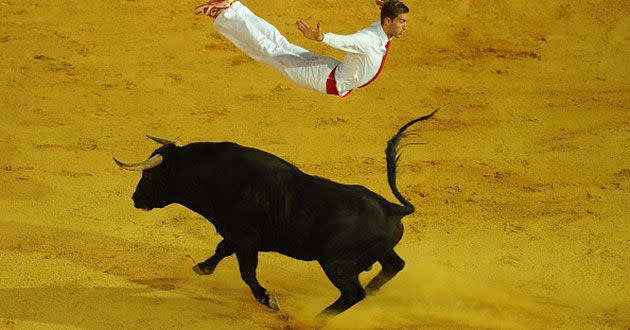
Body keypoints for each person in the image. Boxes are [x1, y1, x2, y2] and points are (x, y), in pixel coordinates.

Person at [195, 0, 409, 97]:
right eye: (401, 22)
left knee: (278, 45)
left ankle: (232, 7)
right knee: (270, 51)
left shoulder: (381, 30)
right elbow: (346, 41)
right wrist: (321, 37)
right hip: (323, 78)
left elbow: (382, 22)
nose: (404, 27)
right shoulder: (369, 40)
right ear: (388, 22)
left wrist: (387, 4)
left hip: (329, 70)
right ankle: (222, 12)